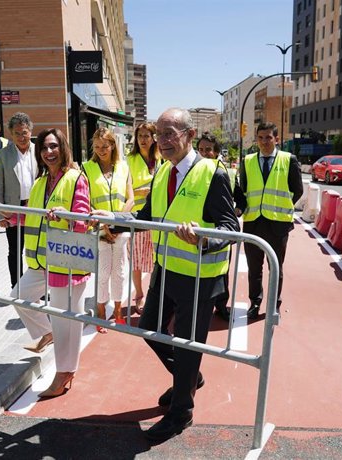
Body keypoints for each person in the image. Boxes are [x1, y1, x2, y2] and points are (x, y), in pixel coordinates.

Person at [93, 108, 239, 442]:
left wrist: (203, 237)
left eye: (170, 133)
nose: (163, 140)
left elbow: (229, 227)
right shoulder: (162, 172)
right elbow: (146, 215)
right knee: (149, 329)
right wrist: (112, 218)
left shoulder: (212, 173)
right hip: (167, 269)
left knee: (188, 345)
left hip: (200, 277)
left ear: (189, 135)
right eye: (160, 134)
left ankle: (181, 411)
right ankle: (189, 377)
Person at [0, 128, 91, 396]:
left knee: (68, 322)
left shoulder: (76, 179)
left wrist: (67, 215)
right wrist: (11, 220)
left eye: (53, 147)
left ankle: (64, 374)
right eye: (44, 148)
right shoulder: (40, 182)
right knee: (19, 295)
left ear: (63, 148)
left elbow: (85, 221)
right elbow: (32, 215)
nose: (49, 152)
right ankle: (46, 332)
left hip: (68, 260)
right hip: (43, 260)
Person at [233, 122, 303, 319]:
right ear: (256, 139)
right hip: (253, 222)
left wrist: (282, 208)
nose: (264, 142)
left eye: (268, 138)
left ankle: (274, 305)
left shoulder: (289, 160)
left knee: (276, 268)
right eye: (261, 138)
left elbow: (297, 190)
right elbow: (244, 190)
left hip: (278, 224)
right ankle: (255, 303)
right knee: (254, 269)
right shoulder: (247, 161)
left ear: (276, 139)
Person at [82, 127, 134, 331]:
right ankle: (102, 311)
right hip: (99, 229)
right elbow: (85, 201)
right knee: (103, 272)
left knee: (119, 272)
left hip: (120, 228)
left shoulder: (124, 166)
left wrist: (118, 223)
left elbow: (130, 198)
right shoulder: (86, 168)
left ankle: (119, 311)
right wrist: (105, 225)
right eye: (97, 147)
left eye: (105, 146)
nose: (101, 150)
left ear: (113, 145)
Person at [0, 113, 37, 288]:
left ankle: (37, 289)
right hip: (13, 210)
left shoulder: (39, 151)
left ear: (30, 131)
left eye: (24, 132)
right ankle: (16, 286)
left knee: (36, 250)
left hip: (35, 208)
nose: (21, 137)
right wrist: (0, 212)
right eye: (17, 133)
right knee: (15, 250)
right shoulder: (3, 155)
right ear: (11, 134)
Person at [126, 122, 162, 314]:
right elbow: (127, 191)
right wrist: (144, 192)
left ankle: (155, 294)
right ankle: (139, 295)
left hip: (158, 217)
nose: (143, 139)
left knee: (158, 257)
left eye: (147, 136)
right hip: (138, 217)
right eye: (140, 136)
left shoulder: (162, 159)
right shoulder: (129, 160)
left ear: (154, 137)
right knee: (137, 259)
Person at [197, 132, 233, 321]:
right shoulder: (194, 171)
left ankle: (221, 306)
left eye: (208, 150)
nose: (204, 153)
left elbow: (239, 195)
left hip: (220, 231)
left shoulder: (224, 172)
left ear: (216, 152)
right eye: (201, 149)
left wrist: (238, 209)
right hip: (201, 230)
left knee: (222, 272)